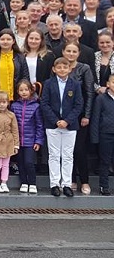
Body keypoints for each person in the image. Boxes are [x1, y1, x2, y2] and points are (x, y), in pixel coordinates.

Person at [41, 57, 83, 197]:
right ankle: (54, 184)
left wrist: (67, 121)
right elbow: (44, 104)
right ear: (54, 69)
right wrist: (56, 121)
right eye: (59, 67)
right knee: (53, 155)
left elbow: (78, 105)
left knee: (67, 155)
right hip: (53, 125)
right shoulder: (48, 83)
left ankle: (66, 184)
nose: (62, 70)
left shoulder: (75, 84)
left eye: (65, 67)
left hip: (69, 126)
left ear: (70, 69)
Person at [60, 42, 95, 195]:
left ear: (79, 53)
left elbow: (89, 92)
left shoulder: (84, 68)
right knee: (67, 150)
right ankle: (71, 179)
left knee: (79, 149)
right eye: (68, 51)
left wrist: (87, 115)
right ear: (63, 52)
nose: (71, 54)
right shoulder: (59, 67)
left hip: (80, 116)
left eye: (74, 51)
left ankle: (85, 181)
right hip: (63, 116)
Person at [11, 80, 45, 194]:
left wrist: (38, 141)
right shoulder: (14, 106)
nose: (24, 92)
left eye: (26, 90)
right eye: (21, 90)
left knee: (29, 162)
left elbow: (39, 125)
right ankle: (24, 182)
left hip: (30, 141)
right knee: (20, 162)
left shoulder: (36, 106)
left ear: (31, 91)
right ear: (17, 92)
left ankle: (32, 183)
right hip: (18, 141)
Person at [90, 74, 114, 196]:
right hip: (106, 134)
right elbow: (96, 118)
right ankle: (104, 186)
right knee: (105, 161)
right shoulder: (101, 99)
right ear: (108, 84)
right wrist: (95, 138)